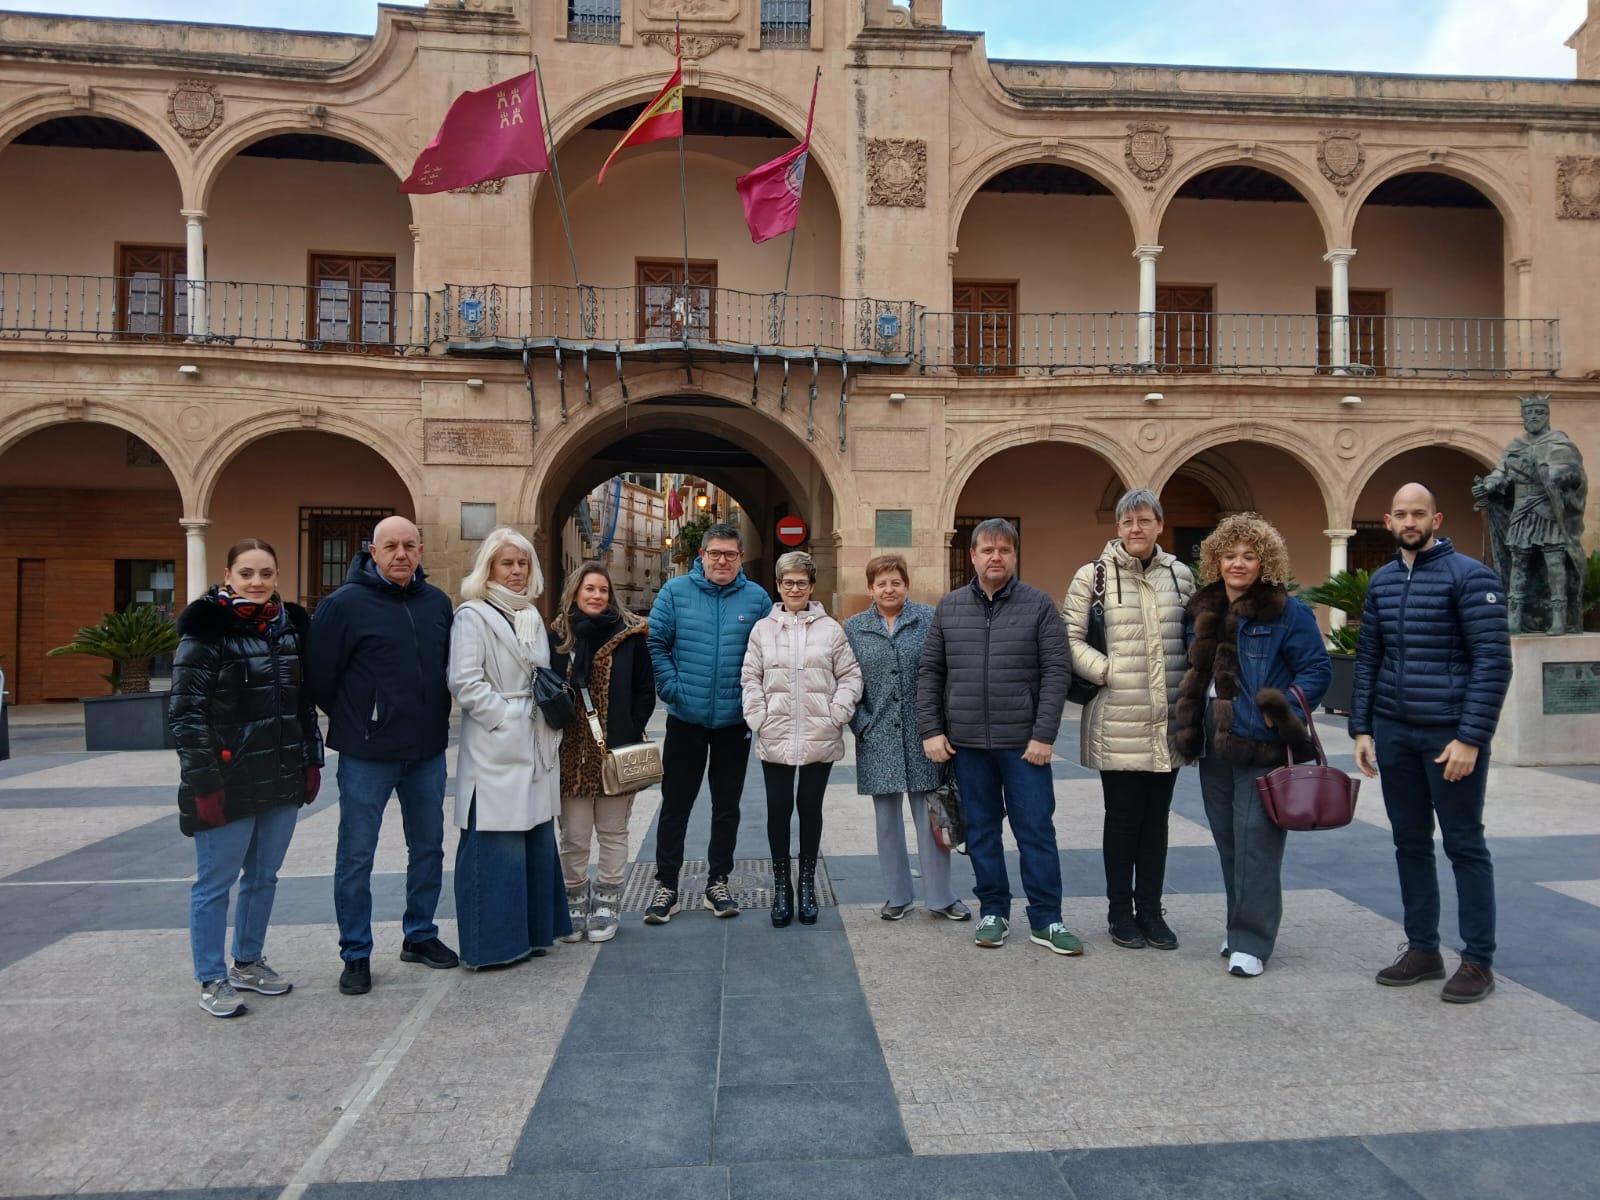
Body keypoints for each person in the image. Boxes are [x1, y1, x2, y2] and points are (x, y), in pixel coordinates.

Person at [1352, 483, 1512, 1004]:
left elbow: (1492, 662)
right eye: (1400, 514)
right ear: (1388, 520)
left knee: (1465, 844)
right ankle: (1423, 949)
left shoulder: (1471, 577)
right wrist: (1362, 727)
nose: (1409, 521)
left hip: (1449, 737)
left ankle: (1477, 960)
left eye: (1419, 513)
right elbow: (1369, 658)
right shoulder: (1382, 581)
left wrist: (1470, 737)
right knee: (1410, 842)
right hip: (1396, 732)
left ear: (1437, 519)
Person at [1173, 513, 1330, 979]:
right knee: (1229, 842)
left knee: (1257, 845)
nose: (1238, 563)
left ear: (1266, 562)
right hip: (1212, 740)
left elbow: (1318, 671)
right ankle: (1238, 926)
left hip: (1261, 745)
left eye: (1248, 555)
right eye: (1229, 555)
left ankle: (1252, 942)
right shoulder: (1203, 609)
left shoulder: (1288, 611)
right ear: (1215, 560)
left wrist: (1283, 710)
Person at [170, 538, 322, 1018]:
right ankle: (211, 976)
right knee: (215, 882)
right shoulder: (205, 632)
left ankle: (249, 961)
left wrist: (310, 760)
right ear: (227, 575)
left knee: (264, 876)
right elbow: (185, 715)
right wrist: (203, 782)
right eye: (246, 573)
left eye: (266, 573)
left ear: (277, 576)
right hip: (228, 779)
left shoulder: (291, 628)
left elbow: (304, 705)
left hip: (278, 773)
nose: (256, 583)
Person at [308, 515, 457, 995]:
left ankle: (420, 934)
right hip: (367, 755)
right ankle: (356, 953)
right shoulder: (344, 605)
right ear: (371, 552)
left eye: (409, 545)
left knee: (429, 847)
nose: (400, 554)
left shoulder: (437, 603)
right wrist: (362, 718)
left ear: (420, 550)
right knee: (356, 856)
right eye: (390, 546)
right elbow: (320, 678)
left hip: (427, 751)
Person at [916, 518, 1078, 955]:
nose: (995, 557)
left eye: (1004, 550)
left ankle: (1047, 919)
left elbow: (1056, 672)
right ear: (972, 556)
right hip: (967, 746)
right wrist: (931, 729)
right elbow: (931, 672)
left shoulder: (1039, 605)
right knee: (983, 831)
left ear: (1014, 555)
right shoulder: (949, 608)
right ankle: (994, 910)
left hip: (1024, 746)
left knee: (1035, 831)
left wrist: (1044, 735)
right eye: (987, 550)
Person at [1063, 488, 1195, 951]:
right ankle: (1121, 912)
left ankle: (1152, 911)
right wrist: (1108, 671)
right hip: (1117, 718)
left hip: (1166, 721)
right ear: (1117, 528)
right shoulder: (1092, 577)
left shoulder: (1180, 576)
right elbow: (1069, 637)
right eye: (1127, 522)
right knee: (1122, 819)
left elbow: (1195, 636)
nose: (1135, 529)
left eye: (1144, 520)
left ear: (1160, 524)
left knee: (1156, 821)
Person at [447, 527, 570, 967]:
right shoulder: (472, 615)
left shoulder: (531, 616)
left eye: (523, 563)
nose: (516, 572)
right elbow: (464, 681)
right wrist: (505, 718)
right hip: (497, 746)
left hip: (534, 742)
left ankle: (532, 935)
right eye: (507, 563)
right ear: (489, 568)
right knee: (493, 846)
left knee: (532, 841)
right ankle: (492, 947)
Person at [643, 521, 772, 924]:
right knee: (676, 804)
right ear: (701, 556)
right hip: (686, 718)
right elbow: (656, 644)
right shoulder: (675, 592)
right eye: (714, 553)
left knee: (727, 806)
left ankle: (718, 882)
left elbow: (772, 652)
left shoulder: (757, 599)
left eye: (730, 554)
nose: (722, 560)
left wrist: (756, 702)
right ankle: (667, 886)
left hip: (735, 721)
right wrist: (672, 688)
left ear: (740, 558)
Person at [844, 554, 971, 922]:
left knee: (933, 817)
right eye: (881, 583)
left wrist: (943, 726)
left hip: (924, 735)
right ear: (870, 588)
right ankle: (897, 895)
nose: (888, 589)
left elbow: (945, 672)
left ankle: (941, 897)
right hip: (878, 734)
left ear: (907, 585)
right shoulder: (854, 627)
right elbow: (843, 678)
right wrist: (860, 722)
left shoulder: (929, 619)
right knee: (887, 823)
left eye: (895, 582)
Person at [742, 551, 862, 926]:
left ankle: (807, 884)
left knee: (809, 810)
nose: (795, 588)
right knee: (778, 811)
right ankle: (782, 888)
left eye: (802, 582)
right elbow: (750, 677)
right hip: (776, 734)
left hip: (819, 735)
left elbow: (851, 676)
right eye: (787, 582)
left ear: (812, 586)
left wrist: (837, 713)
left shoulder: (831, 630)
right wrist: (758, 716)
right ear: (778, 586)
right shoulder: (763, 629)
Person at [549, 560, 656, 943]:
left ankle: (608, 901)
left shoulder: (629, 637)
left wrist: (627, 729)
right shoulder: (559, 636)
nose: (597, 596)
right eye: (590, 589)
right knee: (574, 836)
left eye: (603, 590)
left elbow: (646, 691)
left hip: (614, 751)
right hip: (570, 754)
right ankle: (575, 900)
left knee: (612, 832)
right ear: (575, 591)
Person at [1471, 393, 1586, 635]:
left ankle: (1559, 618)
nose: (1533, 417)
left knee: (1555, 561)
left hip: (1548, 510)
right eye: (1528, 413)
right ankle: (1514, 616)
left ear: (1547, 415)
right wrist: (1489, 485)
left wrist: (1551, 473)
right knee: (1518, 563)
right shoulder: (1515, 446)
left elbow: (1574, 475)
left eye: (1538, 412)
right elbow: (1499, 472)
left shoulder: (1559, 443)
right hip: (1522, 511)